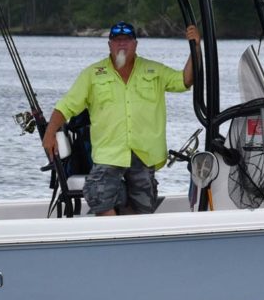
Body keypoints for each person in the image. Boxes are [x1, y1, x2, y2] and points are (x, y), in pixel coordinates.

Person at [42, 21, 200, 216]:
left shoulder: (154, 70)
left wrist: (196, 48)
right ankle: (112, 233)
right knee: (98, 194)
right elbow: (66, 106)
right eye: (117, 40)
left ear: (135, 44)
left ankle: (129, 235)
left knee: (144, 208)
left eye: (127, 40)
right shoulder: (92, 74)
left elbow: (185, 80)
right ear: (109, 44)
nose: (122, 44)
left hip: (145, 152)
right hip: (110, 152)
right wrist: (50, 133)